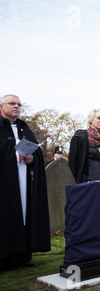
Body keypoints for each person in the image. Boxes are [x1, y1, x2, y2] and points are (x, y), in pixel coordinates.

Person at [0, 94, 50, 270]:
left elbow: (36, 153)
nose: (16, 106)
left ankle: (23, 256)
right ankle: (6, 259)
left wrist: (32, 159)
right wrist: (15, 157)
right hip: (5, 185)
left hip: (24, 182)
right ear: (1, 107)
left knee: (24, 215)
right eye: (12, 103)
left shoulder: (24, 129)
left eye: (19, 104)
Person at [68, 109, 100, 184]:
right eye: (98, 118)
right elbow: (73, 161)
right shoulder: (80, 137)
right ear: (91, 120)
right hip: (87, 183)